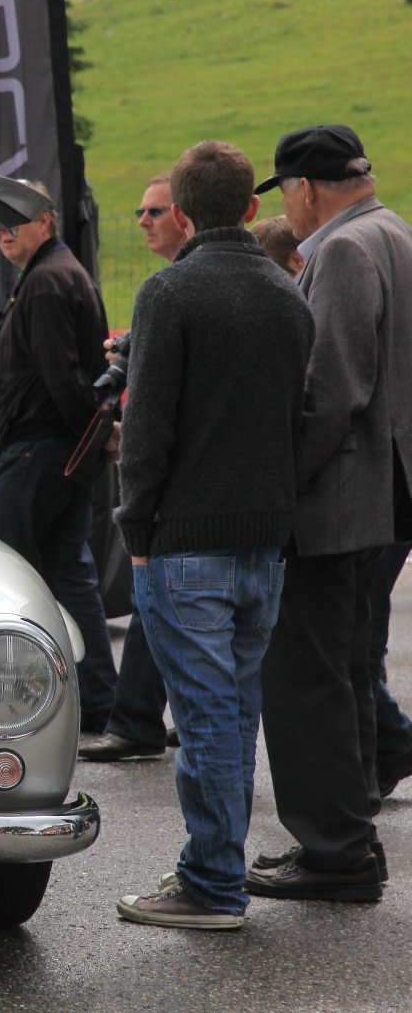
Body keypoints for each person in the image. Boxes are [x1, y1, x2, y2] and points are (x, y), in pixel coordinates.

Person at [111, 141, 312, 930]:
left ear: (184, 212)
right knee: (232, 713)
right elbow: (299, 419)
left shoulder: (170, 291)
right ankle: (214, 869)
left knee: (205, 720)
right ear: (253, 207)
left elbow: (147, 426)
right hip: (265, 540)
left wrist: (135, 527)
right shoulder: (287, 293)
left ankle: (213, 882)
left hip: (185, 539)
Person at [246, 124, 412, 901]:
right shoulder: (393, 230)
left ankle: (334, 853)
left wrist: (280, 487)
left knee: (307, 680)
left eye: (285, 194)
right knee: (343, 672)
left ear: (304, 188)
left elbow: (333, 387)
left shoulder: (343, 249)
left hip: (338, 499)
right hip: (378, 495)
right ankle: (349, 844)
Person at [0, 181, 115, 730]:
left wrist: (94, 433)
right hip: (54, 451)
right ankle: (99, 702)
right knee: (68, 576)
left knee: (16, 583)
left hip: (39, 452)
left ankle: (20, 707)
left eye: (14, 220)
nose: (3, 232)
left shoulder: (46, 282)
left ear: (46, 220)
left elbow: (63, 377)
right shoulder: (52, 274)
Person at [81, 173, 191, 762]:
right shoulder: (169, 284)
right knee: (159, 604)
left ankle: (139, 717)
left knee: (162, 597)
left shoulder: (177, 287)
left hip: (181, 480)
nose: (143, 221)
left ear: (185, 215)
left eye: (155, 211)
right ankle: (142, 715)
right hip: (175, 476)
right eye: (139, 212)